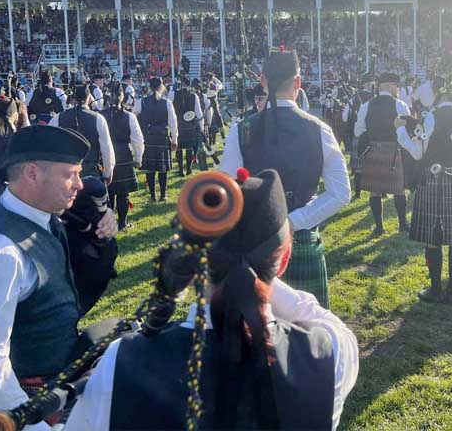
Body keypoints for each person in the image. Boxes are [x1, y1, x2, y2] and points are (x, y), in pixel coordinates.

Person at [64, 168, 359, 430]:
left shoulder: (121, 361)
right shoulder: (331, 354)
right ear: (284, 261)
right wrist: (253, 269)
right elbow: (314, 314)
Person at [0, 125, 119, 431]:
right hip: (23, 403)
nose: (79, 184)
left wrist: (107, 219)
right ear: (33, 174)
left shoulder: (39, 213)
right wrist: (30, 426)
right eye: (71, 174)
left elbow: (87, 215)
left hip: (55, 380)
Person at [219, 50, 350, 308]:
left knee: (258, 334)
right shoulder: (319, 129)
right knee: (309, 334)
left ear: (264, 81)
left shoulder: (241, 130)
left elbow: (227, 190)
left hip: (256, 243)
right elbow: (340, 193)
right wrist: (293, 221)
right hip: (302, 238)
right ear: (298, 83)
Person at [396, 76, 452, 303]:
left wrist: (401, 132)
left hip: (432, 180)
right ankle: (451, 291)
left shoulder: (430, 118)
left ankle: (435, 289)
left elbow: (417, 153)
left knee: (432, 237)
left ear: (435, 94)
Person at [354, 72, 411, 235]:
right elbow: (407, 131)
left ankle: (379, 227)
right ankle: (403, 225)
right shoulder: (400, 105)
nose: (398, 89)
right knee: (399, 189)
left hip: (375, 149)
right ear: (387, 85)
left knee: (375, 190)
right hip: (395, 151)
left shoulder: (367, 105)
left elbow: (357, 131)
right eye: (396, 85)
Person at [50, 84, 115, 184]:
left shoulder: (58, 118)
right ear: (89, 98)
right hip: (91, 172)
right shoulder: (98, 118)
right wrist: (108, 173)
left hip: (65, 174)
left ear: (72, 98)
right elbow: (107, 149)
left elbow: (50, 147)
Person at [101, 82, 144, 230]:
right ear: (122, 96)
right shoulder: (129, 116)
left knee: (109, 193)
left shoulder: (100, 115)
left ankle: (111, 223)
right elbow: (137, 140)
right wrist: (138, 159)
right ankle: (122, 224)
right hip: (124, 155)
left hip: (104, 156)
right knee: (122, 193)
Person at [136, 77, 178, 202]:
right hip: (162, 138)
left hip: (147, 138)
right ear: (161, 87)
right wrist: (175, 139)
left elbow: (133, 115)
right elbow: (173, 123)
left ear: (149, 87)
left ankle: (153, 195)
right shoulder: (167, 103)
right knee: (162, 168)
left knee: (150, 168)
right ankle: (163, 194)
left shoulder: (141, 102)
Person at [342, 76, 373, 200]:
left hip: (359, 134)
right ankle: (382, 191)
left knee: (358, 165)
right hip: (374, 135)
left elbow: (345, 116)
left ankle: (358, 193)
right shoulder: (376, 98)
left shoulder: (355, 96)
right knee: (377, 164)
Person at [172, 77, 204, 176]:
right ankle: (189, 170)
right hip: (190, 126)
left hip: (178, 124)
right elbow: (199, 113)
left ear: (180, 83)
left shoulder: (173, 94)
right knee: (189, 147)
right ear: (188, 84)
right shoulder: (194, 95)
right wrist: (201, 127)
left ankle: (181, 170)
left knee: (179, 148)